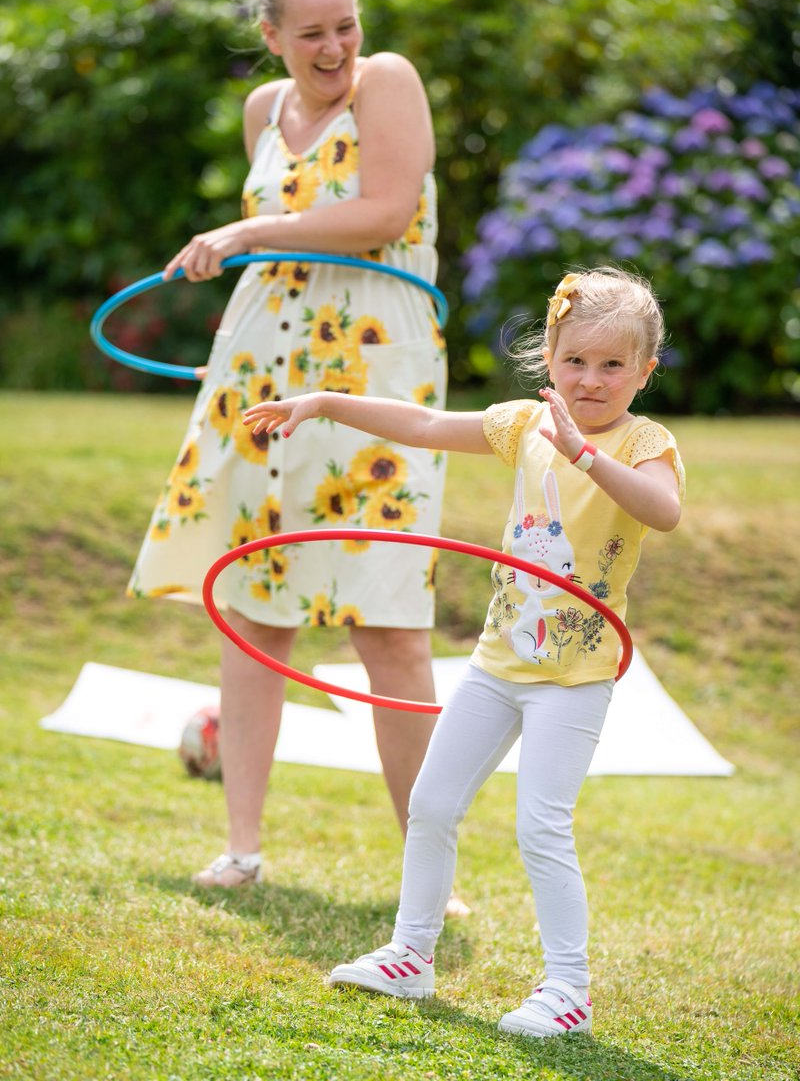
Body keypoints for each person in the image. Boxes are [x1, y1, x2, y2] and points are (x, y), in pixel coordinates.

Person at [242, 267, 685, 1038]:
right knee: (431, 804)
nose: (591, 379)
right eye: (576, 360)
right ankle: (411, 955)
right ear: (549, 359)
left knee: (540, 827)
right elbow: (421, 425)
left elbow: (664, 511)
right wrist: (323, 403)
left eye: (614, 365)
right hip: (496, 661)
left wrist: (586, 455)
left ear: (645, 371)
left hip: (572, 677)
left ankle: (569, 991)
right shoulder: (524, 425)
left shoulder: (647, 442)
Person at [128, 0, 460, 901]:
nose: (334, 50)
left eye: (345, 27)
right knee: (253, 608)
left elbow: (384, 215)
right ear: (271, 35)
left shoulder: (388, 83)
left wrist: (240, 228)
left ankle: (428, 872)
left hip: (372, 376)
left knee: (389, 624)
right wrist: (248, 248)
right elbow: (284, 245)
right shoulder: (262, 108)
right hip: (261, 373)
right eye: (311, 33)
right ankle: (241, 848)